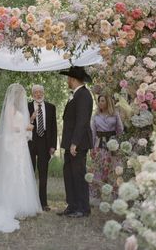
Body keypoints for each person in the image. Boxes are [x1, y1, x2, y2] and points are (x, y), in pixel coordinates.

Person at [0, 84, 42, 232]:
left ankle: (23, 204)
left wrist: (29, 121)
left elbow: (21, 124)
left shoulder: (19, 109)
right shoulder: (10, 107)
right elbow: (10, 127)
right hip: (13, 145)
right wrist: (26, 128)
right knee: (12, 172)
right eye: (21, 95)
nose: (23, 98)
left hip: (20, 144)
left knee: (21, 172)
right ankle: (12, 203)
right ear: (16, 95)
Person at [58, 66, 93, 218]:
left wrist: (74, 143)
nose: (67, 81)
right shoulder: (76, 95)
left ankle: (83, 208)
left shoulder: (84, 95)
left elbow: (82, 121)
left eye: (68, 78)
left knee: (78, 175)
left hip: (78, 143)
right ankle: (72, 205)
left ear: (72, 79)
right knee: (69, 174)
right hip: (70, 143)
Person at [28, 85, 57, 211]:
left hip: (45, 141)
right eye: (36, 92)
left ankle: (43, 203)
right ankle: (30, 202)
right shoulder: (27, 106)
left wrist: (53, 146)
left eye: (40, 92)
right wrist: (31, 118)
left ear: (43, 93)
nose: (38, 94)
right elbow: (22, 124)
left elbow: (54, 127)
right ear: (32, 94)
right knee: (30, 171)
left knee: (43, 172)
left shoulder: (51, 107)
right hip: (30, 140)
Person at [90, 94, 124, 201]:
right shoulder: (95, 116)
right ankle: (95, 195)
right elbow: (93, 133)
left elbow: (120, 130)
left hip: (113, 146)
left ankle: (115, 195)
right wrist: (92, 148)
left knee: (114, 169)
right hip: (99, 146)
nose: (100, 103)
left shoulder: (115, 114)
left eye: (103, 101)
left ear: (108, 102)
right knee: (97, 170)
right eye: (99, 101)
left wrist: (116, 141)